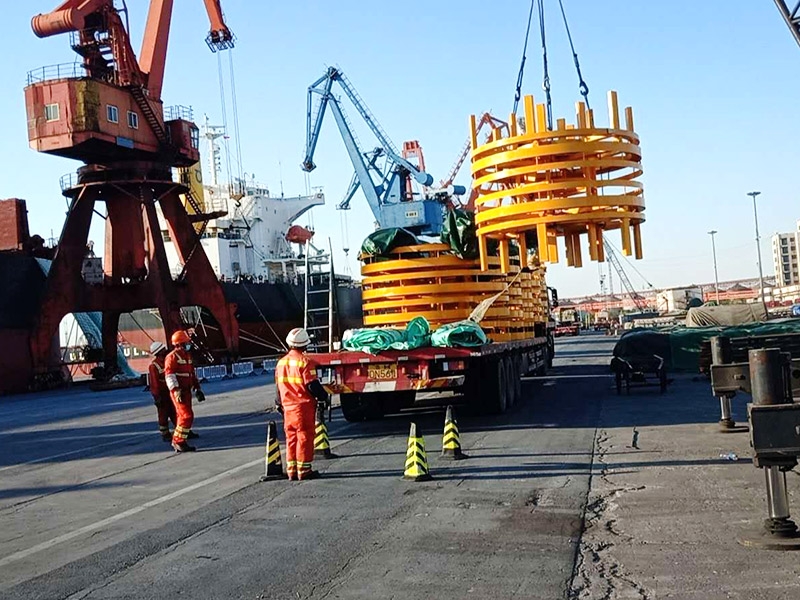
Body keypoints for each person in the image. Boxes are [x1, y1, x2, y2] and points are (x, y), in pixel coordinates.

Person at [275, 327, 328, 480]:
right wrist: (324, 396)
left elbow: (278, 386)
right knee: (304, 437)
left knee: (291, 438)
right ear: (305, 344)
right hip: (302, 407)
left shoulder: (281, 363)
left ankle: (292, 470)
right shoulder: (305, 362)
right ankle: (304, 470)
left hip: (287, 407)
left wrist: (279, 403)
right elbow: (312, 385)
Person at [164, 330, 206, 453]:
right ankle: (178, 441)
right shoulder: (172, 357)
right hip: (179, 392)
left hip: (186, 391)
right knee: (186, 416)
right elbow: (169, 375)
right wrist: (176, 390)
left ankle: (180, 439)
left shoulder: (187, 356)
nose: (188, 345)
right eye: (186, 343)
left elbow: (191, 374)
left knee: (183, 416)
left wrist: (197, 388)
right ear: (178, 344)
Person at [148, 341, 177, 442]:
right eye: (163, 349)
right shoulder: (154, 366)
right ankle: (165, 434)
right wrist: (157, 397)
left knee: (175, 412)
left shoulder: (168, 361)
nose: (166, 350)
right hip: (162, 394)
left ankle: (182, 431)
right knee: (163, 414)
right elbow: (154, 383)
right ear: (159, 352)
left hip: (171, 391)